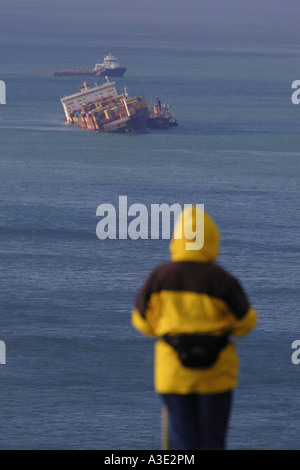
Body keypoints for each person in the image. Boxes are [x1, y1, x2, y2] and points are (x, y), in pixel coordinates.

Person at [131, 206, 258, 450]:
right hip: (216, 375)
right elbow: (245, 323)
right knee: (212, 440)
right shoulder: (222, 280)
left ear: (177, 239)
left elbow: (141, 320)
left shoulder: (159, 277)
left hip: (174, 372)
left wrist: (164, 329)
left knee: (181, 440)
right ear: (212, 240)